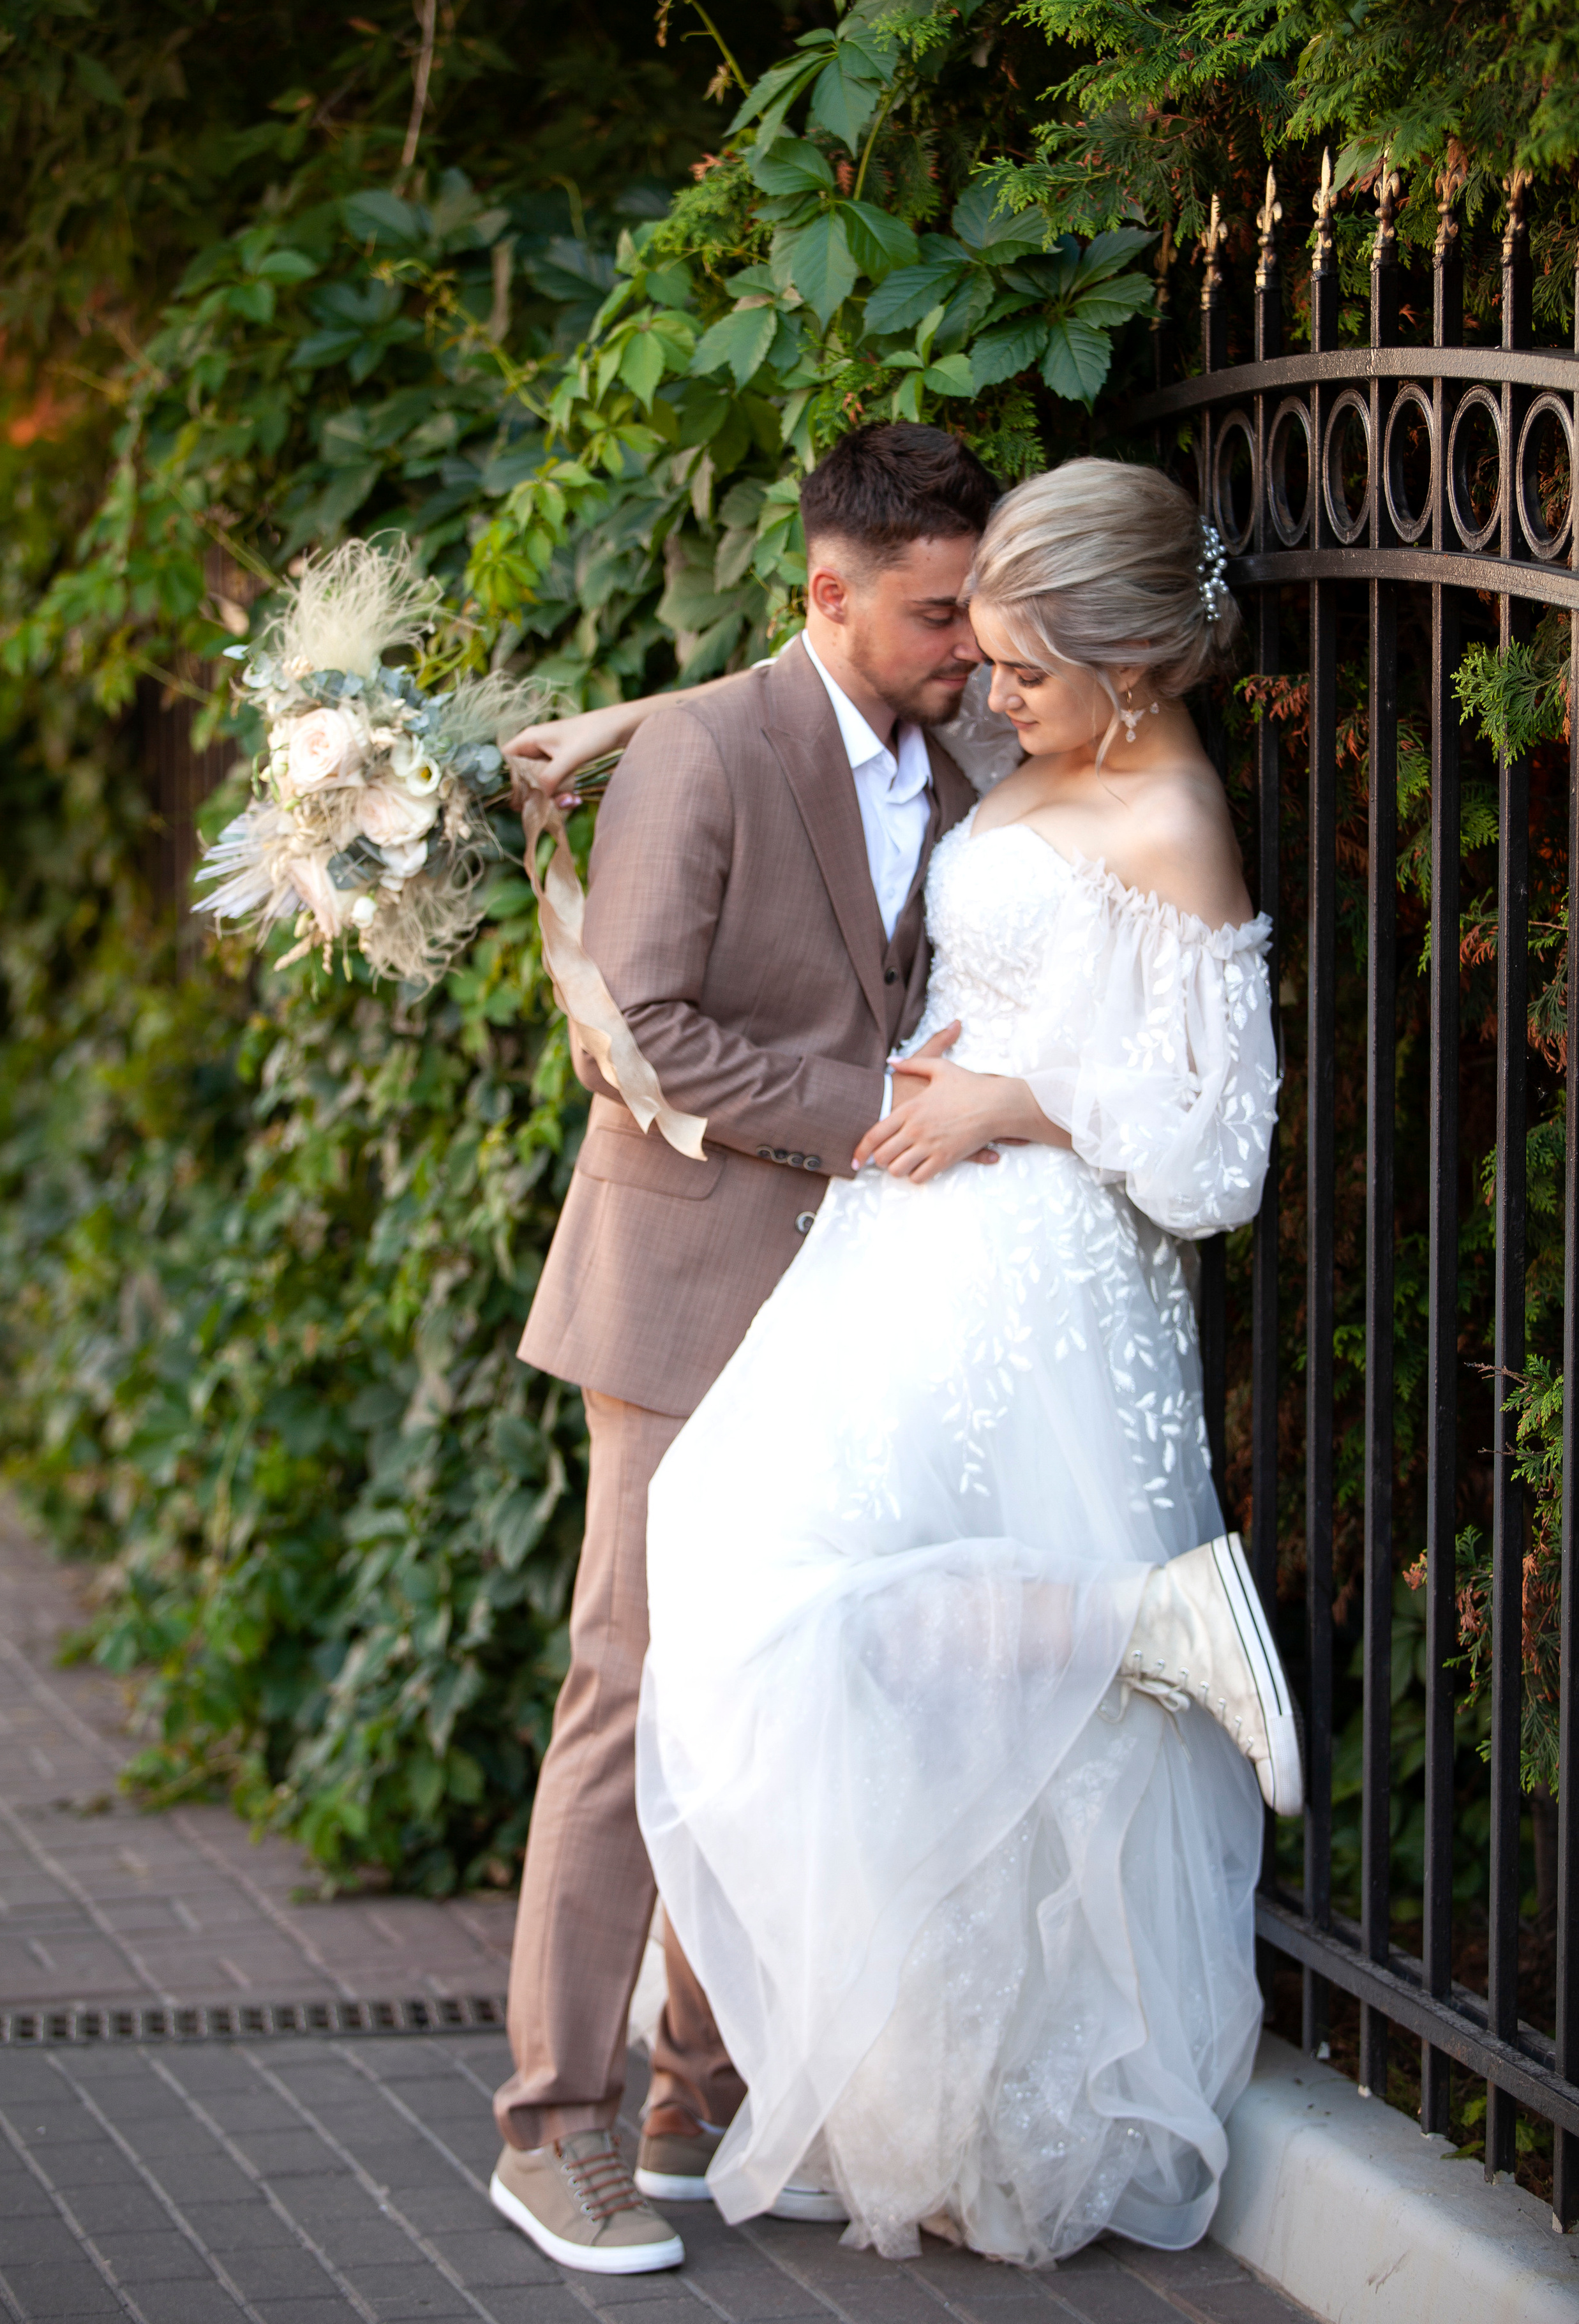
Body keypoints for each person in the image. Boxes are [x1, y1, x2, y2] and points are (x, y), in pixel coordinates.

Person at [632, 459, 1293, 2270]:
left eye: (1024, 671)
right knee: (740, 1565)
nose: (988, 700)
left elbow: (1220, 1157)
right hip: (907, 1248)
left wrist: (1019, 1099)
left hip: (1051, 1277)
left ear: (1133, 672)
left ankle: (1135, 1644)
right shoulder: (1043, 753)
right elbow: (847, 759)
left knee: (845, 1614)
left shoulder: (1171, 815)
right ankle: (1134, 1633)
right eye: (983, 657)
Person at [488, 422, 997, 2275]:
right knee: (630, 1696)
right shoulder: (708, 750)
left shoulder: (976, 749)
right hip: (687, 1296)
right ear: (827, 595)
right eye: (940, 614)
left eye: (981, 610)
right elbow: (642, 1033)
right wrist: (881, 1109)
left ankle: (699, 2096)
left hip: (868, 1318)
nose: (971, 644)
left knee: (796, 1704)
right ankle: (552, 2130)